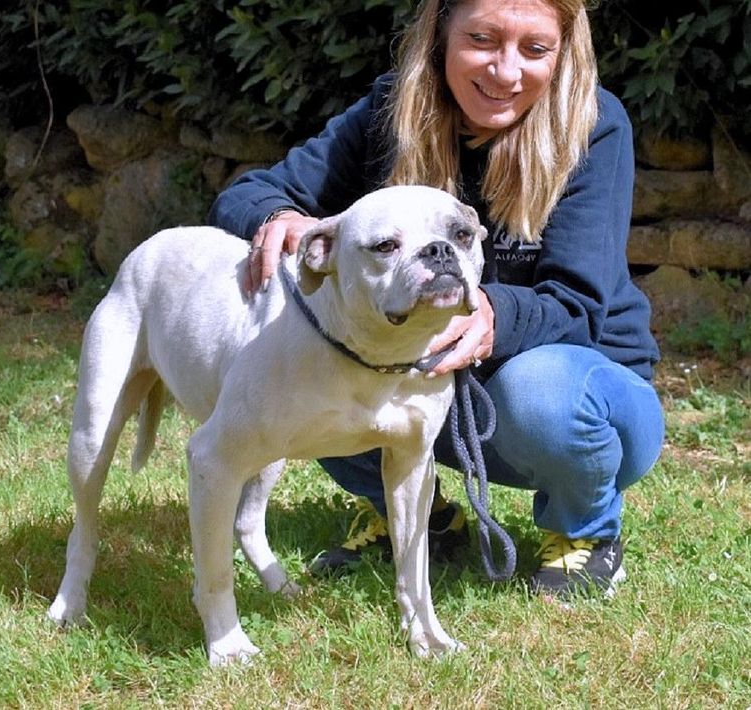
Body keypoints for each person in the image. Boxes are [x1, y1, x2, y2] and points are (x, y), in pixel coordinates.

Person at [208, 0, 664, 597]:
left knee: (535, 391)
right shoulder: (391, 108)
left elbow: (576, 303)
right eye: (483, 40)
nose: (505, 71)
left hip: (586, 394)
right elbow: (250, 193)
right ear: (441, 33)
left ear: (564, 52)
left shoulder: (594, 125)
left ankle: (586, 532)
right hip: (436, 384)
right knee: (322, 343)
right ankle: (422, 520)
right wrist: (278, 217)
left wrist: (492, 312)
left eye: (534, 49)